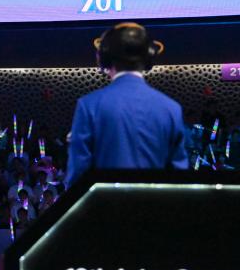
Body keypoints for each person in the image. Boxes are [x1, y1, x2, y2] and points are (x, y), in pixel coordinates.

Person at [66, 22, 188, 187]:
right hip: (156, 204)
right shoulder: (172, 109)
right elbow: (179, 180)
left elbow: (78, 178)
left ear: (103, 58)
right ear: (148, 59)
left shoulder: (89, 106)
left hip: (105, 203)